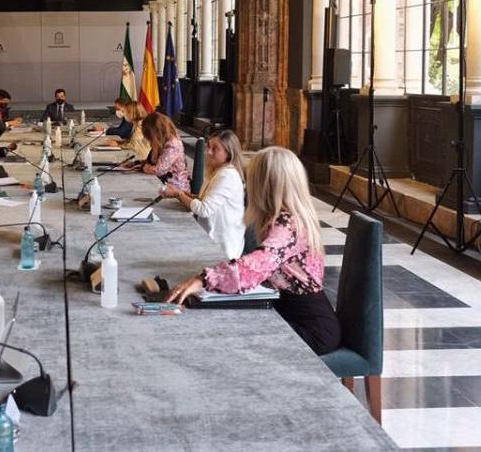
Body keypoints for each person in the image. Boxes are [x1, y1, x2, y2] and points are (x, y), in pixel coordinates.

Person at [166, 147, 342, 355]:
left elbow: (257, 265)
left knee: (229, 342)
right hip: (291, 313)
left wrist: (204, 279)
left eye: (251, 179)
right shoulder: (287, 217)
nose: (247, 185)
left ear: (265, 185)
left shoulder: (288, 224)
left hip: (310, 328)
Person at [161, 129, 247, 259]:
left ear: (228, 153)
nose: (208, 152)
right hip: (210, 238)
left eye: (215, 149)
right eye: (208, 146)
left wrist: (179, 193)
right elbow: (204, 200)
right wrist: (181, 194)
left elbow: (204, 209)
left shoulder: (227, 175)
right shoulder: (218, 171)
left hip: (222, 247)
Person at [139, 112, 190, 192]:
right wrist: (136, 164)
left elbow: (159, 170)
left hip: (176, 188)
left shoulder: (173, 145)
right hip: (162, 183)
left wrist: (146, 167)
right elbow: (152, 161)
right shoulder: (162, 142)